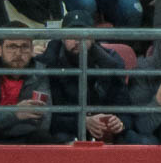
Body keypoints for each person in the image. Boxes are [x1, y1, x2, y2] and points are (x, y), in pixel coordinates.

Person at [41, 9, 129, 142]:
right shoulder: (50, 64)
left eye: (84, 35)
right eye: (72, 36)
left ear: (93, 38)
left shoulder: (110, 63)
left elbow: (127, 109)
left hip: (104, 131)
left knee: (135, 139)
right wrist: (82, 122)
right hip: (66, 131)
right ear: (63, 38)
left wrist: (120, 122)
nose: (78, 41)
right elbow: (48, 118)